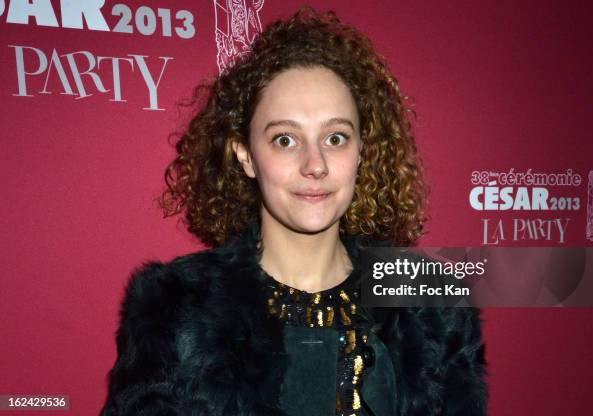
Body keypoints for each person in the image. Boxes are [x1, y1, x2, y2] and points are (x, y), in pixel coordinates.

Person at [99, 6, 487, 416]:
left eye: (335, 137)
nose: (315, 164)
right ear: (245, 155)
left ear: (361, 152)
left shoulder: (432, 306)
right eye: (285, 140)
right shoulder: (175, 307)